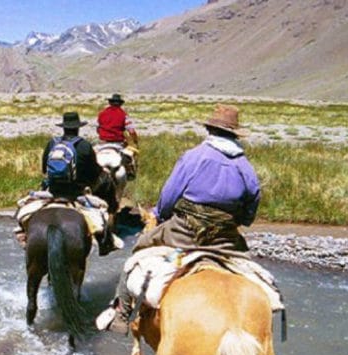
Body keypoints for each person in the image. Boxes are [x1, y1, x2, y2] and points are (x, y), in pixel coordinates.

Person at [103, 103, 260, 332]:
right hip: (224, 238)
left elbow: (170, 194)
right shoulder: (244, 165)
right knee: (249, 267)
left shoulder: (194, 156)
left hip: (185, 231)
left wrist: (161, 214)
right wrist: (239, 221)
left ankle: (122, 314)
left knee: (138, 251)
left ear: (211, 130)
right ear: (234, 134)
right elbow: (252, 203)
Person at [40, 112, 116, 255]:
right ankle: (105, 243)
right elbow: (94, 174)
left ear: (63, 127)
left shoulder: (52, 143)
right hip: (76, 193)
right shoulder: (84, 145)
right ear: (78, 128)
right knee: (104, 204)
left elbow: (44, 169)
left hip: (53, 191)